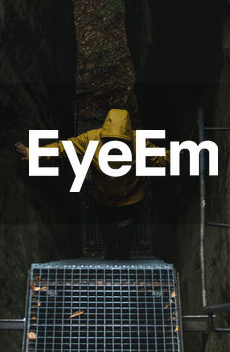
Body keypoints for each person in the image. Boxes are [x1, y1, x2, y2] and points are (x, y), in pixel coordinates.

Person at [15, 109, 163, 261]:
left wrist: (178, 154)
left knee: (124, 230)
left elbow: (159, 156)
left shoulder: (139, 141)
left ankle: (123, 257)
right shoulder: (91, 139)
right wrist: (33, 152)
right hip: (104, 195)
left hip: (131, 195)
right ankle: (111, 254)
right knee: (108, 229)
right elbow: (65, 147)